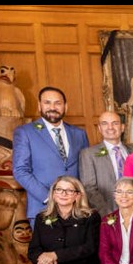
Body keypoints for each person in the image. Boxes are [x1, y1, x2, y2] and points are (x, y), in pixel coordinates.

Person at [13, 87, 90, 225]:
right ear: (39, 106)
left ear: (65, 107)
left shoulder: (79, 134)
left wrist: (80, 199)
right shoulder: (25, 132)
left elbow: (86, 170)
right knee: (48, 248)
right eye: (47, 103)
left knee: (78, 247)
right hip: (43, 208)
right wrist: (50, 197)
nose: (52, 107)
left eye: (57, 103)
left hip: (76, 210)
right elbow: (20, 171)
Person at [79, 111, 133, 216]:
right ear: (99, 128)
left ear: (122, 127)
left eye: (115, 123)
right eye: (105, 123)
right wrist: (107, 213)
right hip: (107, 213)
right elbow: (89, 188)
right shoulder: (88, 154)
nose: (110, 127)